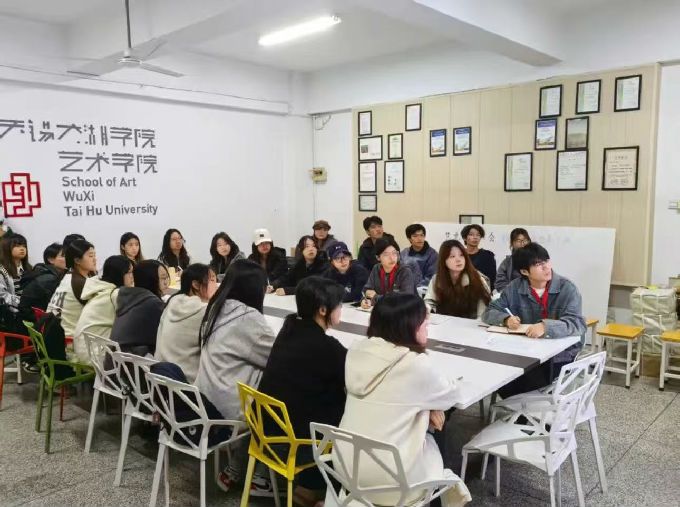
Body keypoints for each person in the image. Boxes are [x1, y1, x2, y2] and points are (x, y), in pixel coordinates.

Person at [337, 293, 471, 507]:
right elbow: (453, 394)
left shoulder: (356, 351)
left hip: (346, 468)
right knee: (437, 431)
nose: (428, 326)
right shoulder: (415, 364)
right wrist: (430, 407)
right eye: (424, 322)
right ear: (409, 326)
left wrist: (426, 406)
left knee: (424, 415)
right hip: (392, 482)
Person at [258, 276, 347, 506]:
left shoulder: (288, 330)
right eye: (339, 304)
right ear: (323, 309)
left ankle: (309, 489)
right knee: (347, 413)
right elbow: (354, 378)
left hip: (266, 432)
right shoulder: (327, 347)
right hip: (293, 443)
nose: (341, 309)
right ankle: (329, 494)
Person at [195, 259, 276, 493]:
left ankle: (236, 468)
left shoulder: (216, 307)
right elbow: (277, 357)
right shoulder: (248, 318)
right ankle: (260, 475)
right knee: (279, 386)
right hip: (227, 409)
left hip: (204, 397)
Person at [482, 243, 586, 398]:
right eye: (538, 264)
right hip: (526, 351)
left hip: (561, 354)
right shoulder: (514, 287)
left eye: (546, 261)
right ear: (524, 271)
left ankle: (527, 408)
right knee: (501, 374)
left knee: (526, 378)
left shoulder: (567, 288)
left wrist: (546, 327)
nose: (546, 267)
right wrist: (505, 319)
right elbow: (489, 312)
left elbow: (577, 323)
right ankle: (521, 408)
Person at [155, 264, 217, 383]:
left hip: (161, 376)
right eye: (212, 280)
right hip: (188, 382)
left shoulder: (172, 302)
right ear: (196, 285)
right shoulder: (205, 311)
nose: (217, 285)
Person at [73, 255, 134, 362]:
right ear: (119, 274)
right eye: (129, 272)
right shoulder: (114, 295)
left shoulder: (100, 289)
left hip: (84, 349)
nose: (132, 276)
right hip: (96, 355)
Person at [111, 260, 168, 356]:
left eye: (166, 277)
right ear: (150, 280)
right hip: (133, 361)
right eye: (163, 278)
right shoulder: (152, 303)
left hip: (115, 359)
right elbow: (163, 337)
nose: (166, 282)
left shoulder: (129, 297)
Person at [424, 240, 491, 318]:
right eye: (452, 256)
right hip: (444, 322)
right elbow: (429, 301)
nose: (458, 260)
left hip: (470, 323)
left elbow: (483, 309)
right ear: (443, 260)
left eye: (461, 255)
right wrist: (427, 307)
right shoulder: (437, 279)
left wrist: (478, 322)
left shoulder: (477, 278)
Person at [47, 239, 97, 338]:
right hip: (69, 339)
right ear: (77, 260)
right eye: (91, 256)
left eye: (95, 255)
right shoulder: (80, 282)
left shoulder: (68, 276)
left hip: (53, 335)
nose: (95, 259)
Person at [361, 238, 416, 308]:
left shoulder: (405, 271)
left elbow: (405, 299)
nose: (392, 258)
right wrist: (365, 300)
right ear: (378, 257)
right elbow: (367, 291)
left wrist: (376, 297)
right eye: (386, 254)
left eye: (394, 253)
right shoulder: (376, 268)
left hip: (406, 311)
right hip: (383, 309)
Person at [18, 243, 66, 322]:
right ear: (51, 260)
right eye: (63, 256)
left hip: (36, 318)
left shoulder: (49, 273)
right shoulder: (49, 278)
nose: (67, 258)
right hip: (33, 321)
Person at [0, 234, 32, 334]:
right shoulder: (2, 270)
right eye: (17, 246)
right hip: (12, 315)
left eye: (24, 246)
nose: (22, 249)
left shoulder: (29, 268)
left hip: (28, 311)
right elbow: (2, 296)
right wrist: (23, 303)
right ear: (6, 248)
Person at [495, 228, 531, 293]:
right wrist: (513, 293)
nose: (522, 243)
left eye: (525, 240)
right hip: (512, 295)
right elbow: (499, 283)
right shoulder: (507, 262)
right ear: (512, 243)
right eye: (518, 241)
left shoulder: (536, 261)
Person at [461, 224, 496, 291]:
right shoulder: (460, 255)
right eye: (471, 234)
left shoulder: (488, 255)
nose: (475, 237)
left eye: (478, 235)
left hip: (482, 291)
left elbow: (492, 278)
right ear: (464, 238)